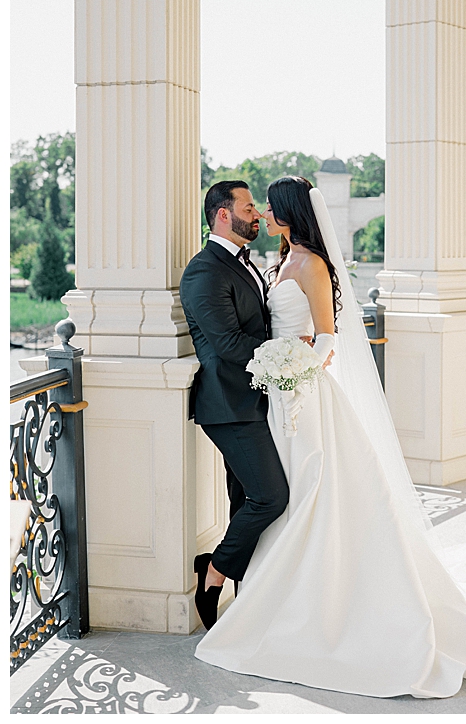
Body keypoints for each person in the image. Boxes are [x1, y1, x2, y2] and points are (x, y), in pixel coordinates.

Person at [192, 175, 466, 699]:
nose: (264, 214)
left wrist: (290, 365)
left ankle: (300, 604)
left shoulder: (312, 265)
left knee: (306, 496)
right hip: (272, 398)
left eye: (271, 207)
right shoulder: (272, 262)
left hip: (300, 394)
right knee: (285, 497)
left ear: (292, 213)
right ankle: (267, 593)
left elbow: (324, 338)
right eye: (256, 207)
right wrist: (278, 363)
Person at [179, 180, 290, 629]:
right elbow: (227, 344)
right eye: (248, 207)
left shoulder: (243, 263)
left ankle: (250, 597)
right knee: (271, 497)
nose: (258, 215)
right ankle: (214, 571)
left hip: (255, 401)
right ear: (223, 214)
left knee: (244, 498)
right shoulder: (204, 271)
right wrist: (286, 347)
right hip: (227, 405)